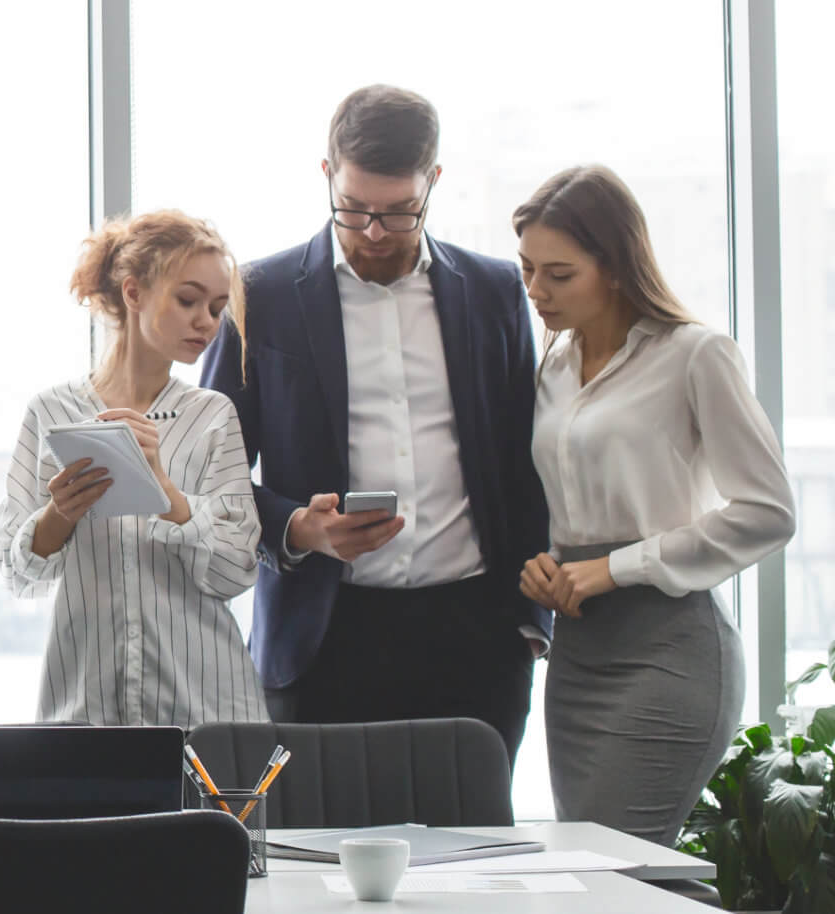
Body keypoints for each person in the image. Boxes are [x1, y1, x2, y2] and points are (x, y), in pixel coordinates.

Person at [201, 85, 552, 758]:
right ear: (327, 174)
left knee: (472, 859)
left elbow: (522, 462)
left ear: (435, 182)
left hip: (476, 640)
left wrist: (527, 623)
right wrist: (297, 526)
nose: (373, 233)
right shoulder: (261, 297)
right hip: (322, 637)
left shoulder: (494, 292)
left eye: (400, 214)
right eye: (354, 209)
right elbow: (208, 476)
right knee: (313, 855)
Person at [512, 165, 791, 845]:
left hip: (668, 649)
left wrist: (614, 568)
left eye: (558, 273)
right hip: (575, 653)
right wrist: (547, 566)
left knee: (619, 871)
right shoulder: (550, 369)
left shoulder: (697, 355)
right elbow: (566, 500)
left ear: (613, 268)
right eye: (526, 269)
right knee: (589, 869)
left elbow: (768, 511)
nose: (534, 290)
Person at [0, 211, 264, 729]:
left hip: (206, 713)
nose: (206, 322)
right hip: (82, 716)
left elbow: (237, 570)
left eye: (215, 307)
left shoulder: (212, 416)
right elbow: (16, 575)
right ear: (133, 292)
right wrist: (60, 514)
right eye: (188, 300)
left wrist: (167, 493)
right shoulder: (50, 411)